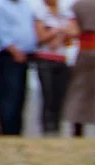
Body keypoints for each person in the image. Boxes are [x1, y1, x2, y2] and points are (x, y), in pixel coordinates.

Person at [64, 0, 95, 137]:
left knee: (80, 91)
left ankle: (77, 129)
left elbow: (72, 30)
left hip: (85, 50)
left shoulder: (77, 6)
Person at [0, 0, 37, 135]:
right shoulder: (0, 8)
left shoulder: (26, 6)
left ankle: (17, 130)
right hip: (10, 55)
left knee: (20, 94)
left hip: (26, 55)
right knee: (8, 95)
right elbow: (0, 32)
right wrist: (14, 50)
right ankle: (6, 130)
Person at [34, 0, 75, 136]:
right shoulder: (41, 14)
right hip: (45, 59)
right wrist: (58, 31)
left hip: (61, 59)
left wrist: (56, 34)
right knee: (48, 95)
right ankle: (47, 128)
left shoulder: (65, 14)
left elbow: (73, 33)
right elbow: (40, 37)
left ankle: (57, 127)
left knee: (60, 96)